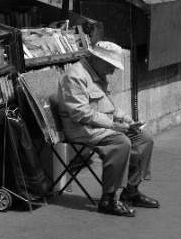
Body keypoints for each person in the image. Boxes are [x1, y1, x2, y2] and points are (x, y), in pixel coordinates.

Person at [57, 40, 160, 217]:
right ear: (97, 59)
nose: (113, 71)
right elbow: (80, 114)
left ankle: (131, 191)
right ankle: (108, 199)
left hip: (100, 125)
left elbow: (109, 106)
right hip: (81, 128)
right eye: (110, 65)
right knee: (120, 142)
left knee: (144, 138)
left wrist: (128, 121)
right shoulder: (75, 76)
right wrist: (114, 125)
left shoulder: (97, 73)